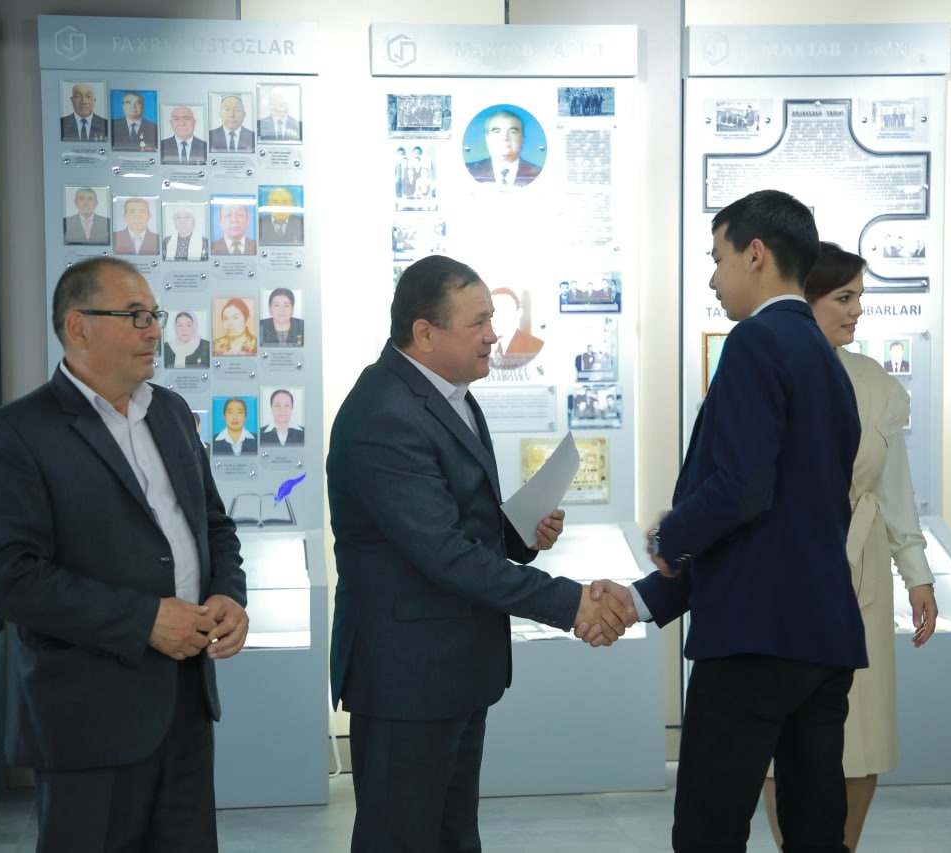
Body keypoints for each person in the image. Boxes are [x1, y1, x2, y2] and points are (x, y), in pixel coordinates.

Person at [326, 254, 634, 852]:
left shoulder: (451, 394)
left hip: (454, 668)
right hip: (407, 677)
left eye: (492, 319)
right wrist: (573, 603)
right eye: (479, 322)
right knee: (401, 840)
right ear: (425, 333)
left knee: (453, 837)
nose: (494, 335)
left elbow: (453, 519)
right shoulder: (383, 413)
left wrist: (518, 533)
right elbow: (443, 552)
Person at [592, 189, 866, 851]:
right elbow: (787, 520)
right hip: (822, 638)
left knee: (707, 833)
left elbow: (742, 490)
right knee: (816, 834)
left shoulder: (754, 341)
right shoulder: (827, 362)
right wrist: (643, 599)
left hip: (752, 641)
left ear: (756, 253)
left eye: (717, 259)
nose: (713, 279)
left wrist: (668, 535)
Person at [0, 256, 247, 852]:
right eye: (136, 316)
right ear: (79, 327)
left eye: (156, 316)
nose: (155, 331)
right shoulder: (15, 433)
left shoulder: (170, 412)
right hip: (87, 719)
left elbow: (213, 525)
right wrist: (145, 620)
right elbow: (13, 579)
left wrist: (228, 593)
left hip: (186, 706)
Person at [759, 242, 937, 852]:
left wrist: (917, 574)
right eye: (844, 297)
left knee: (865, 731)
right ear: (804, 300)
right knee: (783, 734)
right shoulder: (763, 370)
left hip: (861, 577)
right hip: (782, 576)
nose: (857, 310)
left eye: (860, 297)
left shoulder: (874, 382)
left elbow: (894, 489)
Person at [465, 109, 541, 186]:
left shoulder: (538, 173)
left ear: (522, 138)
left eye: (512, 132)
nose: (505, 137)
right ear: (487, 138)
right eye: (497, 131)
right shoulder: (469, 170)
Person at [487, 287, 544, 379]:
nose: (498, 317)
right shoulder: (477, 346)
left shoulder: (534, 345)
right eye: (493, 311)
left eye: (505, 310)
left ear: (518, 313)